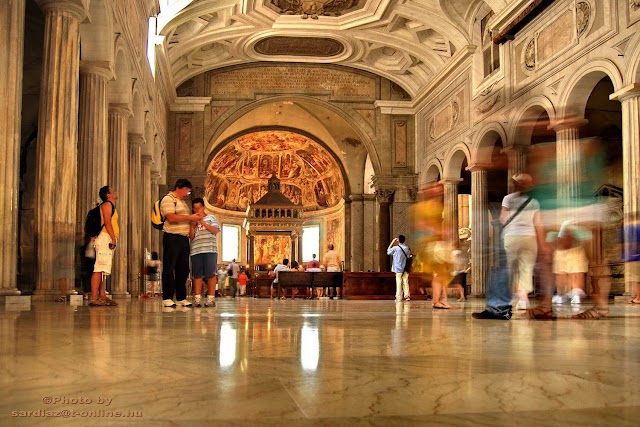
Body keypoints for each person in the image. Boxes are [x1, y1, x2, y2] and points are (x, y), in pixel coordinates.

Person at [473, 173, 544, 320]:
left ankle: (503, 303)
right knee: (526, 269)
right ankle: (523, 299)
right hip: (530, 238)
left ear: (516, 185)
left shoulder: (508, 198)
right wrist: (542, 243)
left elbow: (503, 219)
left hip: (512, 236)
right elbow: (538, 224)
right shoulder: (535, 202)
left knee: (507, 270)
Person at [161, 179, 203, 308]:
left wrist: (192, 224)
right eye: (188, 191)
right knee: (169, 267)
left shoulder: (183, 203)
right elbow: (171, 217)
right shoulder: (168, 199)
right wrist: (190, 217)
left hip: (184, 238)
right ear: (181, 188)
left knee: (183, 269)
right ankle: (167, 297)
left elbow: (186, 220)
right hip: (172, 237)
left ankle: (181, 297)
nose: (188, 194)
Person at [547, 220, 591, 305]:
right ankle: (574, 295)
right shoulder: (577, 229)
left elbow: (552, 241)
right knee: (575, 275)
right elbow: (588, 239)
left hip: (564, 251)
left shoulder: (557, 229)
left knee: (561, 275)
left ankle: (562, 295)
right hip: (575, 251)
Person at [89, 185, 119, 307]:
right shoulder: (107, 205)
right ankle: (94, 297)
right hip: (105, 237)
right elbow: (107, 222)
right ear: (108, 195)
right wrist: (112, 238)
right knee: (99, 268)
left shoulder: (111, 206)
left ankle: (102, 295)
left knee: (103, 269)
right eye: (113, 190)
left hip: (107, 237)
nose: (116, 192)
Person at [189, 197, 220, 307]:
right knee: (197, 275)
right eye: (195, 208)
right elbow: (192, 236)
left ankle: (210, 299)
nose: (198, 210)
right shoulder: (192, 220)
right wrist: (192, 226)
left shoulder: (211, 217)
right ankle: (197, 298)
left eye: (199, 207)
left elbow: (215, 230)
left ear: (204, 207)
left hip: (210, 250)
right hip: (196, 250)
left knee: (210, 274)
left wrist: (202, 222)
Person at [621, 213, 640, 304]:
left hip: (636, 257)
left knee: (637, 279)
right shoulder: (631, 229)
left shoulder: (635, 228)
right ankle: (635, 296)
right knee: (634, 279)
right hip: (633, 257)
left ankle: (638, 298)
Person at [387, 235, 411, 302]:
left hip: (398, 268)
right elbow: (409, 256)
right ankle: (407, 296)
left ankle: (399, 297)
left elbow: (388, 252)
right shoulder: (407, 248)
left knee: (398, 282)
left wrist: (392, 242)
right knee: (405, 281)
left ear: (398, 241)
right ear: (404, 240)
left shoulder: (395, 248)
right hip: (405, 267)